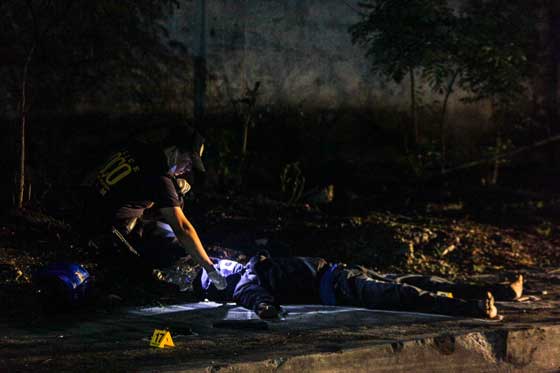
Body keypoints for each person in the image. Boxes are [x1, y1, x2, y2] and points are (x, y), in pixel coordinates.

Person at [83, 125, 227, 290]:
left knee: (169, 213)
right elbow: (183, 228)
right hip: (108, 233)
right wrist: (209, 268)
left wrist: (173, 185)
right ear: (174, 151)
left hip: (91, 213)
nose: (189, 169)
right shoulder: (159, 177)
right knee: (179, 248)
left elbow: (140, 191)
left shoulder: (141, 150)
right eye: (188, 161)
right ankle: (133, 270)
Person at [169, 254, 524, 320]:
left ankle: (501, 291)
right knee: (407, 296)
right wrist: (264, 308)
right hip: (340, 287)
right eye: (214, 268)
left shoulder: (249, 265)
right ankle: (476, 309)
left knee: (416, 280)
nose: (217, 262)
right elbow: (253, 297)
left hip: (343, 272)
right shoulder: (243, 282)